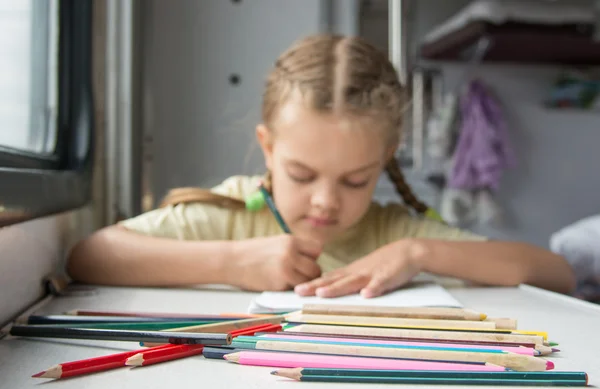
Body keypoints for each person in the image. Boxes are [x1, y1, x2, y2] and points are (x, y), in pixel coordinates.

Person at [66, 34, 575, 298]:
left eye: (357, 180)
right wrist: (231, 262)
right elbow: (91, 255)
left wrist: (419, 251)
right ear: (267, 148)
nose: (326, 201)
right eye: (302, 175)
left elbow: (557, 275)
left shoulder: (392, 235)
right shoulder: (230, 214)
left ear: (385, 160)